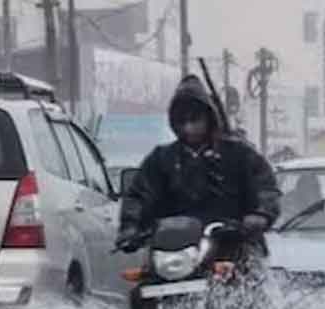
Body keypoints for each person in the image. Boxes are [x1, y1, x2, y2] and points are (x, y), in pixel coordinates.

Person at [116, 75, 281, 259]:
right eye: (182, 121)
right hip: (174, 252)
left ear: (209, 118)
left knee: (251, 270)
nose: (188, 128)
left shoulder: (239, 153)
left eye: (195, 120)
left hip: (235, 246)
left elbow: (265, 187)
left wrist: (260, 214)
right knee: (144, 275)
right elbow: (139, 195)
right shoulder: (161, 158)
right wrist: (130, 228)